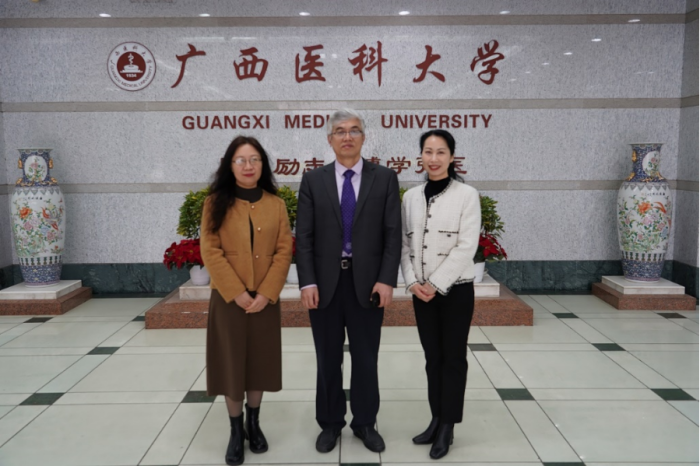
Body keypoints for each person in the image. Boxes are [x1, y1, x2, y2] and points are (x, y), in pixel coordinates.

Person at [296, 109, 402, 454]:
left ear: (363, 138)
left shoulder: (384, 178)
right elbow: (304, 238)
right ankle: (330, 423)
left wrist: (386, 280)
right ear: (330, 139)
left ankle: (365, 422)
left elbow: (392, 235)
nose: (347, 136)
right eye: (340, 131)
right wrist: (307, 283)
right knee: (327, 358)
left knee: (366, 357)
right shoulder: (313, 181)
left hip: (368, 284)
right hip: (325, 285)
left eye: (354, 130)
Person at [200, 135, 293, 466]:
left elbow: (284, 250)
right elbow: (210, 251)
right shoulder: (215, 203)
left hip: (265, 300)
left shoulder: (276, 204)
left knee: (259, 363)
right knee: (231, 364)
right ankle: (235, 429)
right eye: (241, 160)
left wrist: (266, 292)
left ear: (262, 165)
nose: (248, 166)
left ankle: (254, 422)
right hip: (229, 301)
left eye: (255, 159)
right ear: (230, 165)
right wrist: (237, 292)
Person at [400, 129, 480, 460]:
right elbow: (404, 245)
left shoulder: (467, 195)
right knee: (432, 357)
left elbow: (467, 246)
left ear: (451, 157)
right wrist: (412, 283)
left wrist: (435, 283)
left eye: (440, 152)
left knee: (453, 358)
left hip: (455, 291)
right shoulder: (410, 197)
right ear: (420, 156)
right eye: (428, 152)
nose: (433, 158)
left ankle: (448, 425)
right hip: (421, 293)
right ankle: (435, 418)